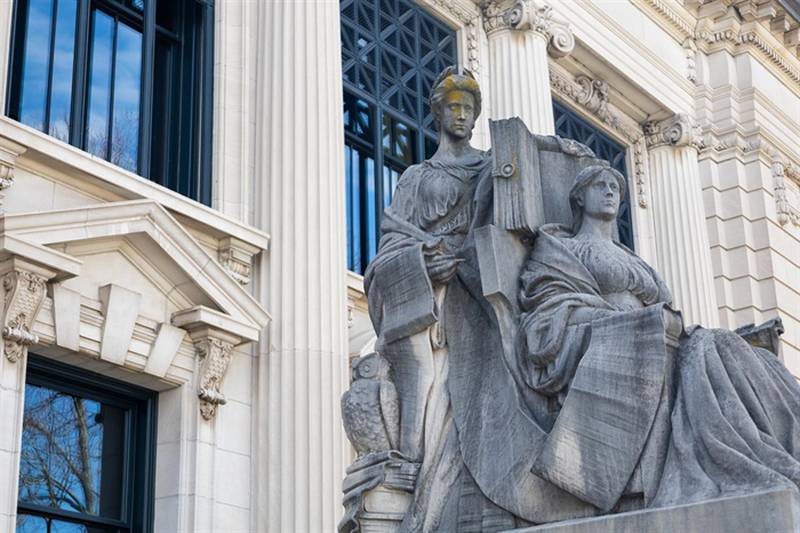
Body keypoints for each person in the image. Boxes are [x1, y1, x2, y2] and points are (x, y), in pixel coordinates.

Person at [517, 164, 800, 512]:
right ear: (579, 196)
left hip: (656, 338)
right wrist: (621, 320)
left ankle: (774, 450)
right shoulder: (564, 250)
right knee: (710, 348)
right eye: (600, 185)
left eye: (615, 187)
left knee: (739, 350)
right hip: (614, 339)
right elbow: (549, 312)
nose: (609, 192)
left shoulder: (633, 259)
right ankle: (734, 457)